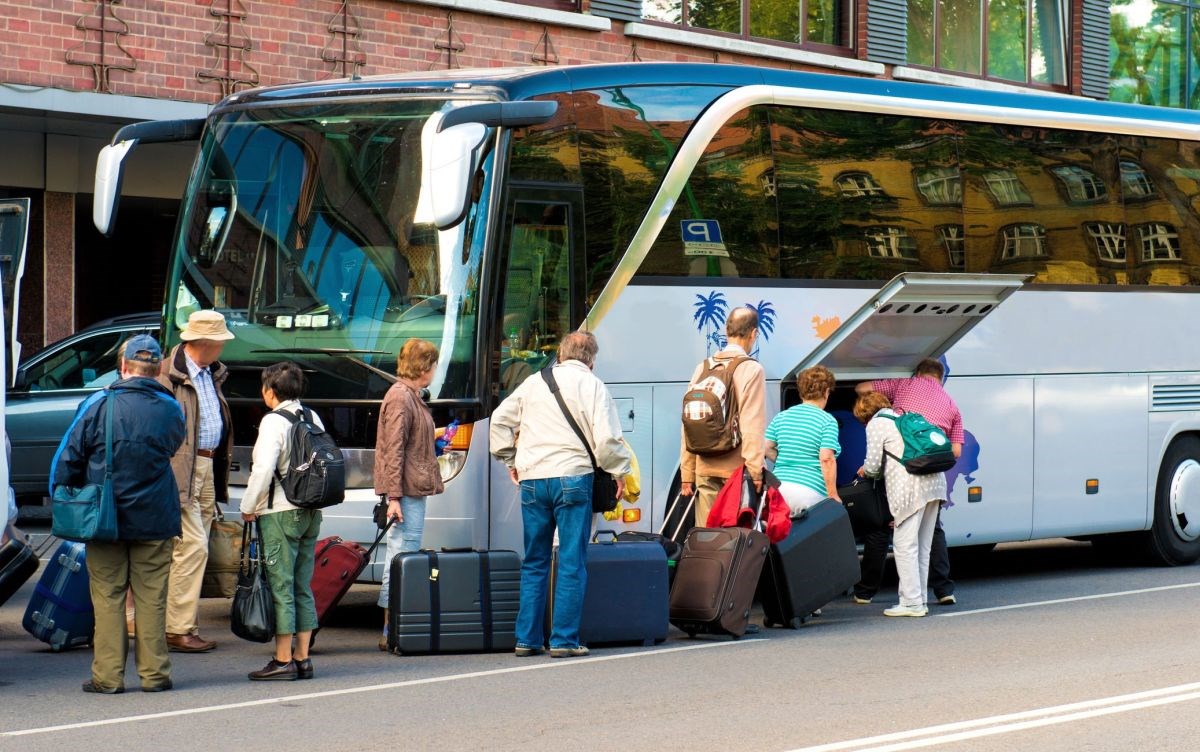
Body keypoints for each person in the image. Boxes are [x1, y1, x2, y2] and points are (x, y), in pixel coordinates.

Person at [52, 335, 185, 693]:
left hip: (104, 516)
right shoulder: (171, 408)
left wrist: (63, 492)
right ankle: (155, 675)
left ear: (123, 366)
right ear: (157, 371)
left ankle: (108, 677)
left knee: (108, 597)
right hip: (156, 516)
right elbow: (174, 446)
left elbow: (69, 457)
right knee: (152, 597)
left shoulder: (99, 403)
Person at [489, 331, 630, 658]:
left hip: (533, 480)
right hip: (572, 478)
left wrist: (512, 460)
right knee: (570, 560)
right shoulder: (593, 385)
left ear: (561, 355)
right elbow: (607, 440)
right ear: (591, 360)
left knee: (535, 560)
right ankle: (564, 640)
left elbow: (499, 422)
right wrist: (619, 471)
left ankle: (526, 639)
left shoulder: (533, 382)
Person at [239, 362, 323, 681]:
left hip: (280, 513)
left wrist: (249, 506)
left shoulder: (273, 422)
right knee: (303, 584)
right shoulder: (312, 417)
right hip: (311, 511)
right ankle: (303, 658)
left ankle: (283, 659)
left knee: (281, 585)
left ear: (270, 391)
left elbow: (263, 469)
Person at [856, 358, 963, 605]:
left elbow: (862, 388)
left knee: (886, 529)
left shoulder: (904, 385)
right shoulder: (951, 403)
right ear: (941, 376)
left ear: (918, 372)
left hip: (903, 475)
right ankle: (942, 590)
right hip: (934, 478)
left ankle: (871, 591)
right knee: (931, 535)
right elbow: (955, 451)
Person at [160, 309, 235, 653]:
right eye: (220, 341)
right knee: (192, 547)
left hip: (205, 465)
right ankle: (177, 628)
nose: (224, 348)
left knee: (191, 547)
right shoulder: (169, 375)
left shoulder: (209, 372)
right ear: (205, 342)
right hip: (183, 469)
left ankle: (179, 622)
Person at [375, 338, 444, 651]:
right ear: (425, 367)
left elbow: (407, 444)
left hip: (409, 489)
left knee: (404, 555)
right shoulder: (402, 398)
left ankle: (395, 626)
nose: (434, 369)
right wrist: (394, 497)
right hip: (405, 493)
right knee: (402, 557)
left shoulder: (409, 396)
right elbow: (393, 450)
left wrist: (435, 442)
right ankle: (392, 628)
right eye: (433, 364)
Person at [855, 391, 945, 617]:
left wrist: (865, 470)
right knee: (923, 546)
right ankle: (920, 598)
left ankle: (912, 603)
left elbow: (874, 465)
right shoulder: (902, 418)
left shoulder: (877, 425)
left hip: (910, 488)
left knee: (904, 545)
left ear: (865, 414)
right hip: (935, 482)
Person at [680, 307, 767, 526]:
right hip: (735, 472)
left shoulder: (703, 367)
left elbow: (688, 424)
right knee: (733, 539)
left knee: (707, 536)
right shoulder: (751, 369)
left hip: (704, 467)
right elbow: (752, 424)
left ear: (727, 331)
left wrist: (687, 472)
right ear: (753, 334)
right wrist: (756, 471)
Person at [765, 365, 842, 515]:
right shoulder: (827, 421)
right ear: (826, 392)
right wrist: (833, 495)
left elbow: (766, 448)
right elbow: (826, 458)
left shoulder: (782, 416)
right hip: (809, 492)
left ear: (801, 392)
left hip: (779, 489)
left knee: (783, 537)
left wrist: (786, 460)